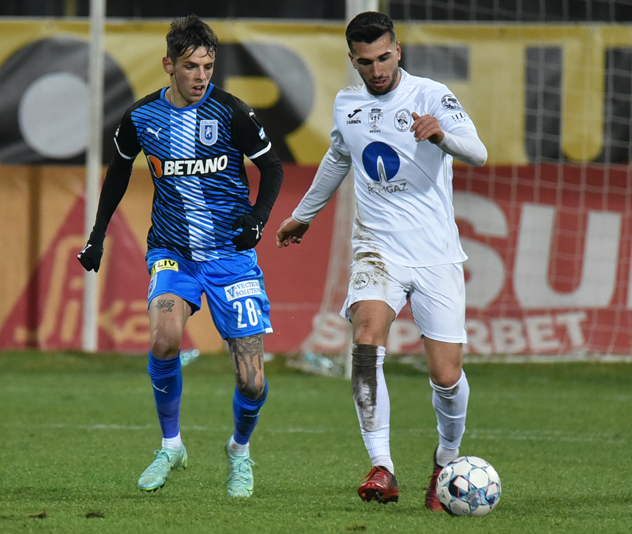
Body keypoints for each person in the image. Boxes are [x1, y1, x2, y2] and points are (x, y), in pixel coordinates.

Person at [276, 11, 487, 510]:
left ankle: (445, 461)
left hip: (435, 254)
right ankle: (382, 466)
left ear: (398, 51)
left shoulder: (431, 96)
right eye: (365, 61)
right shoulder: (347, 104)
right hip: (377, 248)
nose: (377, 69)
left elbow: (477, 152)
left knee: (446, 376)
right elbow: (338, 157)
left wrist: (441, 136)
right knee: (367, 337)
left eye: (384, 57)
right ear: (352, 60)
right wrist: (303, 215)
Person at [77, 14, 283, 498]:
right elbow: (118, 173)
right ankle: (171, 445)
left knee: (251, 382)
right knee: (164, 338)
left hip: (230, 256)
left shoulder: (231, 112)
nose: (201, 76)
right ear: (168, 64)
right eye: (191, 66)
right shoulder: (141, 118)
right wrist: (97, 236)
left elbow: (272, 166)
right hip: (173, 252)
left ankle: (239, 451)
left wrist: (258, 218)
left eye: (208, 66)